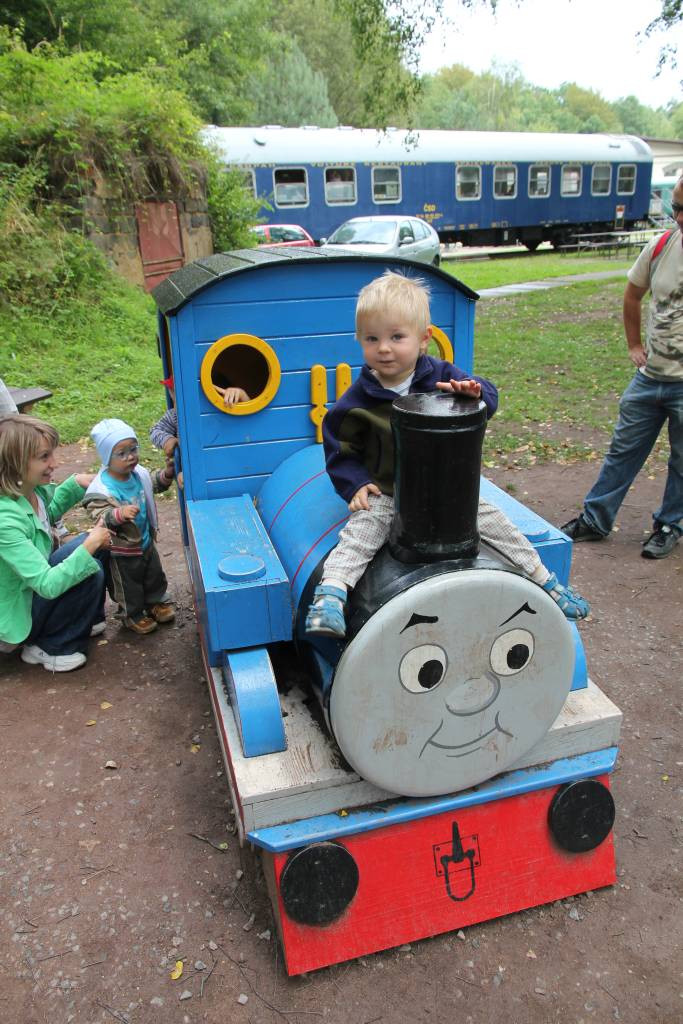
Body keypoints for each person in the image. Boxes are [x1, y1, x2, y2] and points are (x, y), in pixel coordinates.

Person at [305, 271, 589, 637]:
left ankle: (544, 581)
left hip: (448, 491)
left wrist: (473, 392)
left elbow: (488, 397)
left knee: (497, 525)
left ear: (424, 339)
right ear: (360, 339)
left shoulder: (440, 377)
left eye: (396, 337)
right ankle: (331, 595)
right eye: (372, 338)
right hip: (390, 492)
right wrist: (355, 484)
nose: (384, 348)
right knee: (361, 533)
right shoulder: (357, 401)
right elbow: (339, 447)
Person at [561, 175, 683, 560]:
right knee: (622, 450)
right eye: (677, 207)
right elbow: (632, 295)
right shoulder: (661, 246)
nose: (679, 217)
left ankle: (670, 524)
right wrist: (634, 345)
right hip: (650, 377)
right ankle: (596, 519)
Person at [0, 414, 112, 672]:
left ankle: (83, 618)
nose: (54, 463)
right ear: (15, 462)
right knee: (89, 565)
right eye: (44, 457)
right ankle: (50, 646)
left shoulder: (28, 492)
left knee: (97, 546)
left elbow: (43, 516)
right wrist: (89, 546)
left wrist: (75, 484)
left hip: (31, 595)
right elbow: (47, 584)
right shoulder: (4, 521)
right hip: (18, 616)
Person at [83, 418, 175, 635]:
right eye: (121, 453)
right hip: (122, 549)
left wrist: (167, 475)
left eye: (133, 449)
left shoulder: (137, 474)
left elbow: (153, 484)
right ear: (107, 457)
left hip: (145, 541)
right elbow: (97, 513)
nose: (130, 456)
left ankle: (154, 602)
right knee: (128, 585)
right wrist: (119, 513)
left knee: (154, 575)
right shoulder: (102, 488)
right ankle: (131, 615)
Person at [149, 376, 250, 489]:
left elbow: (253, 425)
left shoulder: (227, 411)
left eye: (180, 399)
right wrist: (167, 439)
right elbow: (155, 431)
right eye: (174, 397)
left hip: (234, 469)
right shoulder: (175, 415)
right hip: (197, 474)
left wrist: (242, 396)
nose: (176, 404)